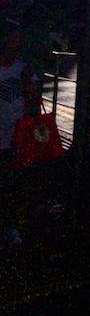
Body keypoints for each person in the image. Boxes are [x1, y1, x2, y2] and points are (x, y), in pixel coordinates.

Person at [0, 19, 36, 246]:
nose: (15, 46)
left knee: (13, 187)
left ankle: (10, 227)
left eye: (18, 42)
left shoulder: (23, 70)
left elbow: (33, 104)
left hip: (15, 140)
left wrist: (28, 83)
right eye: (11, 41)